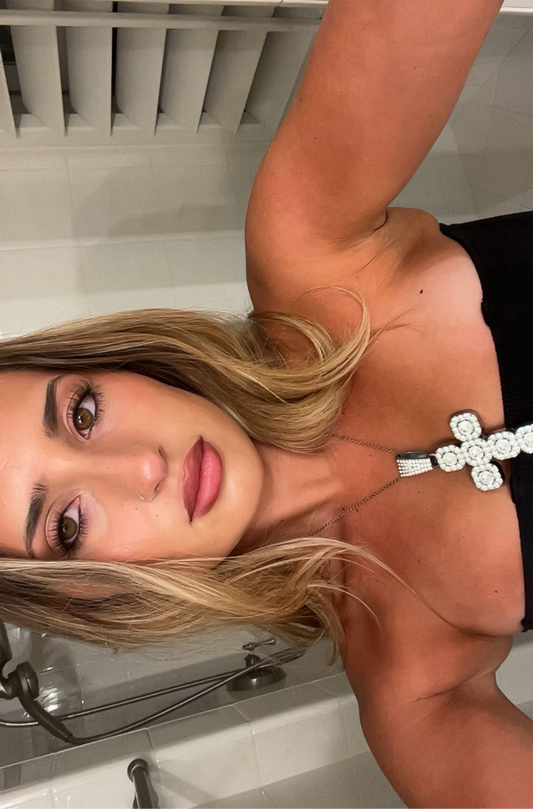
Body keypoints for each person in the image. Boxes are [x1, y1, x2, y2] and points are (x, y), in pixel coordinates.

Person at [1, 0, 532, 804]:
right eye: (67, 524)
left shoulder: (308, 248)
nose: (140, 466)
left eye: (82, 413)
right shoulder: (414, 690)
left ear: (113, 367)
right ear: (90, 591)